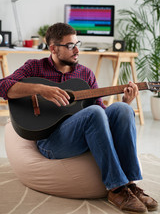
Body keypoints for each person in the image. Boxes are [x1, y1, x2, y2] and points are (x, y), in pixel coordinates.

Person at [0, 22, 158, 213]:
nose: (76, 50)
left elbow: (102, 115)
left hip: (80, 136)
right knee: (94, 112)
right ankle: (116, 188)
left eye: (77, 44)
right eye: (69, 46)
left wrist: (126, 102)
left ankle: (130, 184)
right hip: (51, 142)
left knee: (120, 110)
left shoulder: (86, 74)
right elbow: (3, 86)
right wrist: (41, 89)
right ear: (53, 49)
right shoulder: (34, 67)